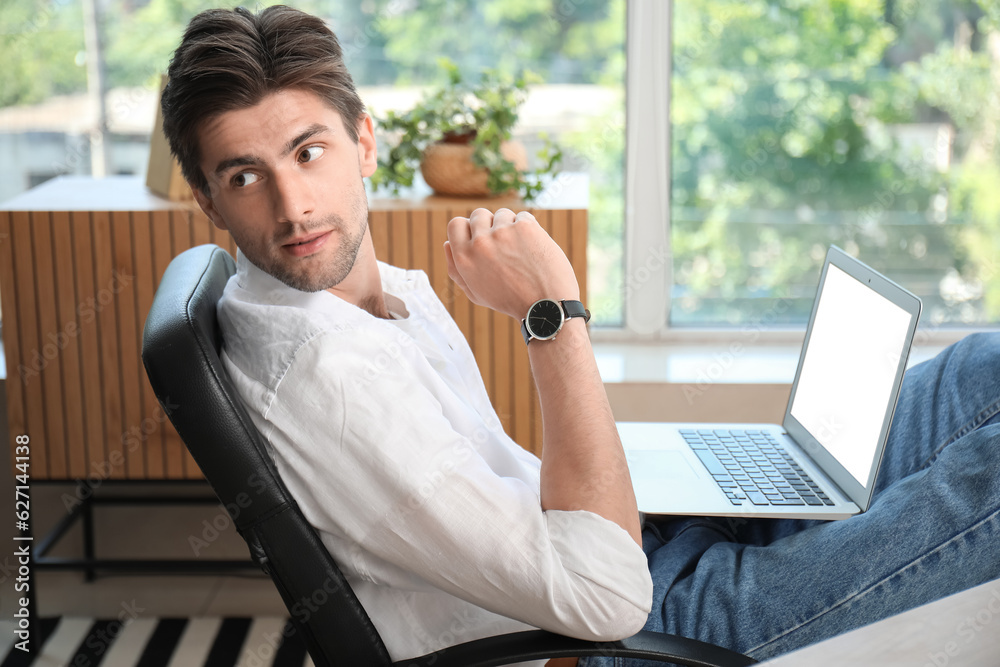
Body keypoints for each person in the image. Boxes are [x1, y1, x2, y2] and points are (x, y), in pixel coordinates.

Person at [159, 6, 1000, 666]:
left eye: (308, 153)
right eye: (245, 175)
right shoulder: (328, 375)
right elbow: (605, 603)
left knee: (978, 369)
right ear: (209, 198)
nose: (293, 206)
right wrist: (552, 315)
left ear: (364, 141)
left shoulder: (376, 299)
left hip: (619, 557)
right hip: (618, 639)